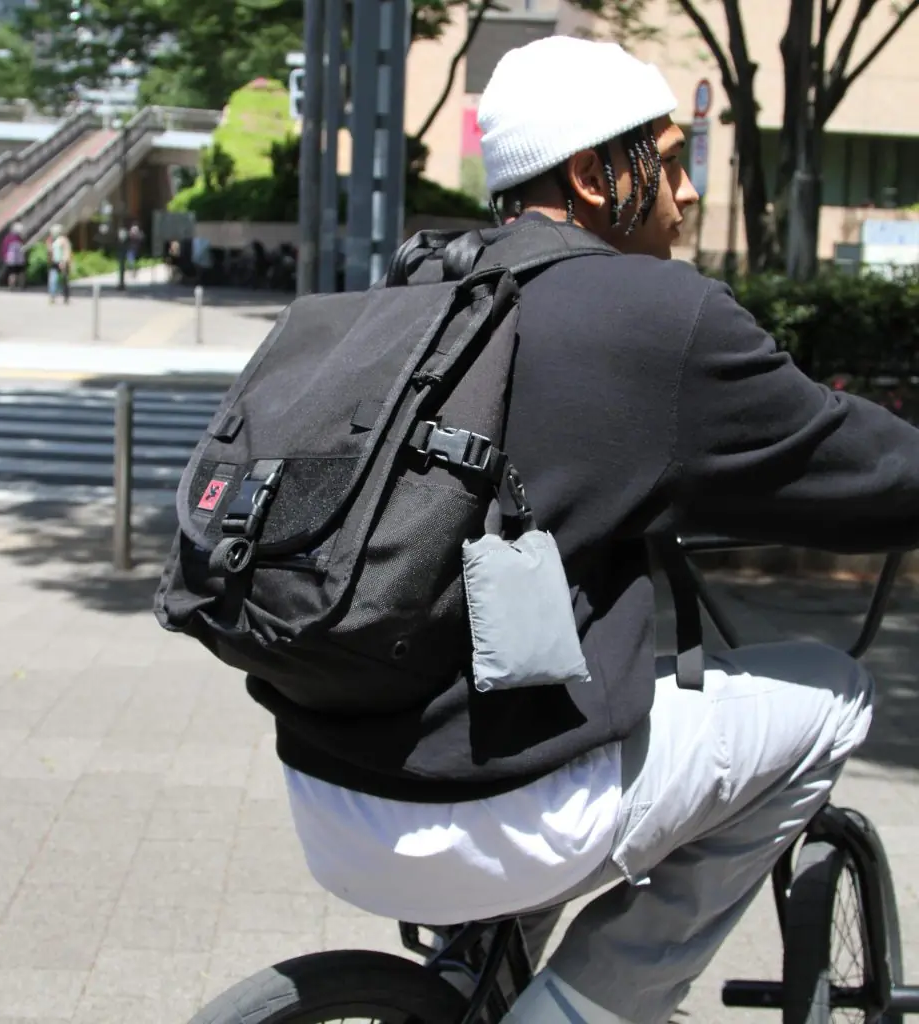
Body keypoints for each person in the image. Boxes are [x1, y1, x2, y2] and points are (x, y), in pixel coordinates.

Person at [269, 36, 919, 1024]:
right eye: (671, 162)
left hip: (329, 800)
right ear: (589, 174)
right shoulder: (656, 311)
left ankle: (468, 977)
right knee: (832, 693)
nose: (687, 193)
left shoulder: (421, 285)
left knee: (535, 669)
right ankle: (583, 1006)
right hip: (502, 820)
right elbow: (863, 468)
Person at [48, 224, 72, 305]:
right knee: (52, 280)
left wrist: (64, 261)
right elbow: (51, 252)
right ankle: (52, 296)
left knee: (64, 280)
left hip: (62, 262)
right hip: (54, 262)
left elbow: (66, 251)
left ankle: (66, 297)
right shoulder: (52, 240)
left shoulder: (63, 240)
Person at [1, 222, 27, 290]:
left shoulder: (8, 238)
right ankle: (21, 286)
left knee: (12, 273)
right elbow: (23, 248)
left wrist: (4, 256)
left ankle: (11, 287)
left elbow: (4, 248)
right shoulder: (20, 239)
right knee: (21, 273)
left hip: (11, 259)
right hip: (19, 259)